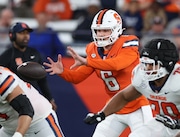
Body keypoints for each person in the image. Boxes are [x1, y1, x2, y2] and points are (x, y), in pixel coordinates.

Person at [44, 9, 153, 137]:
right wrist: (62, 72)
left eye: (105, 30)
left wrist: (88, 62)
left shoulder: (128, 42)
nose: (101, 34)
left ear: (117, 29)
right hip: (114, 107)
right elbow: (77, 77)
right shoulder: (92, 49)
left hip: (138, 105)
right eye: (98, 30)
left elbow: (117, 64)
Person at [83, 38, 180, 137]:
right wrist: (102, 114)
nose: (147, 68)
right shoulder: (141, 77)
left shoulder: (177, 81)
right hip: (164, 123)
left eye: (151, 64)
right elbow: (124, 97)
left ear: (168, 64)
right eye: (145, 64)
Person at [0, 22, 57, 110]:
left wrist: (50, 99)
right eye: (22, 33)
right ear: (13, 36)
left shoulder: (35, 53)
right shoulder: (6, 56)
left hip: (33, 98)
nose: (26, 36)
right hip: (13, 101)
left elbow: (42, 79)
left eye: (27, 33)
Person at [0, 65, 64, 137]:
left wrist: (18, 135)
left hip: (38, 122)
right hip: (9, 129)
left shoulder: (2, 78)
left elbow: (26, 109)